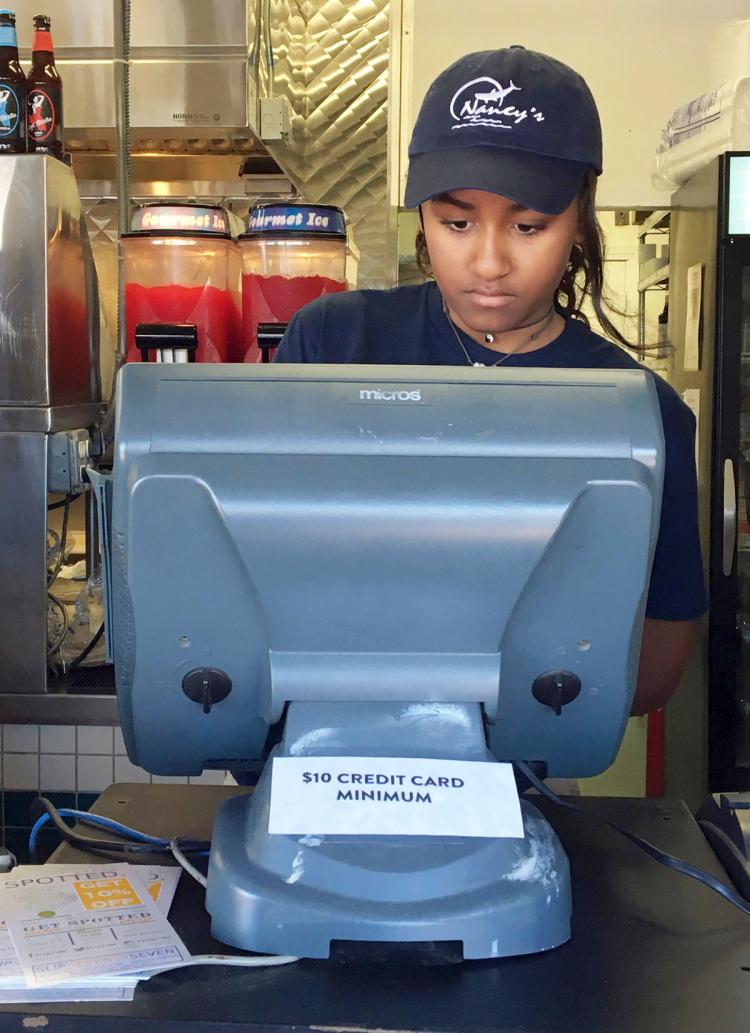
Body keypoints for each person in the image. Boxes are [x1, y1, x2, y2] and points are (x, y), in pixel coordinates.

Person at [274, 45, 707, 716]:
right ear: (421, 214)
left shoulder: (642, 415)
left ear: (580, 216)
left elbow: (651, 675)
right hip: (325, 741)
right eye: (456, 222)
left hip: (530, 772)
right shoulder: (334, 344)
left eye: (529, 225)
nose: (488, 261)